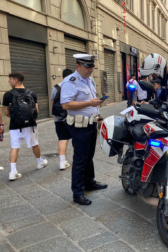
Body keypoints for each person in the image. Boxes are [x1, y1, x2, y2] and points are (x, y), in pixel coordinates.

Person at [60, 54, 107, 206]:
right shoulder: (70, 81)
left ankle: (89, 182)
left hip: (91, 123)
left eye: (92, 66)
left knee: (89, 156)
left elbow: (94, 103)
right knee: (80, 159)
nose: (90, 70)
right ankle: (78, 192)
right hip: (79, 126)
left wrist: (99, 118)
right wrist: (88, 103)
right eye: (87, 67)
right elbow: (66, 105)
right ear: (78, 65)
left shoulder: (89, 81)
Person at [2, 72, 48, 181]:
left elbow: (6, 112)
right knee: (35, 144)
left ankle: (13, 172)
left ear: (15, 80)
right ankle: (39, 162)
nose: (9, 81)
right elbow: (36, 110)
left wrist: (16, 118)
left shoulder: (8, 95)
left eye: (10, 79)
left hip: (15, 125)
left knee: (15, 147)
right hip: (30, 125)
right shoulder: (32, 93)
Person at [51, 69, 73, 170]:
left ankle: (62, 162)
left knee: (62, 139)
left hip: (58, 117)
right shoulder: (73, 86)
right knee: (76, 138)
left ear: (62, 76)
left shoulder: (56, 87)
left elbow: (52, 102)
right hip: (71, 117)